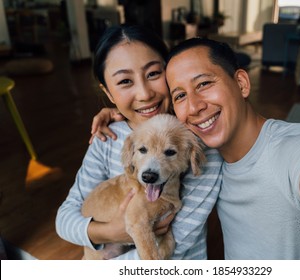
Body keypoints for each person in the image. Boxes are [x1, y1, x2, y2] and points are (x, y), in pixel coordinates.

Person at [94, 37, 300, 260]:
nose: (195, 106)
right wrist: (120, 113)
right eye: (180, 95)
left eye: (204, 83)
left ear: (242, 83)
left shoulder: (294, 146)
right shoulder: (201, 154)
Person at [55, 25, 223, 260]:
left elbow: (180, 241)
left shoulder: (196, 141)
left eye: (154, 74)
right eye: (125, 81)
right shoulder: (106, 139)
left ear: (170, 72)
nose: (144, 94)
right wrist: (111, 232)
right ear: (109, 94)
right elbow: (64, 220)